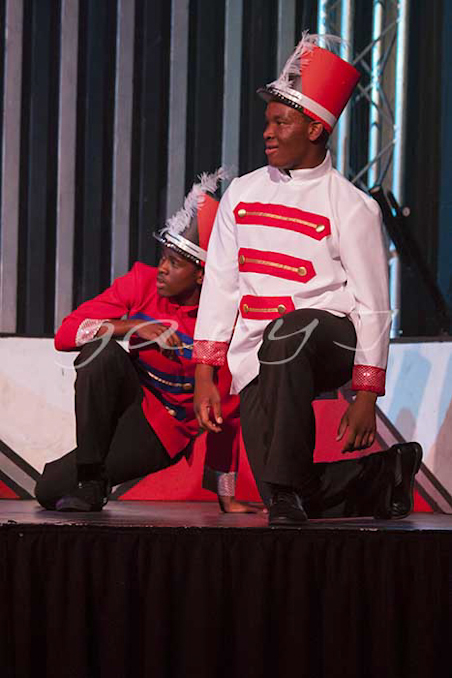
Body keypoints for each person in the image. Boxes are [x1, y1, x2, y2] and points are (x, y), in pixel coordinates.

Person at [193, 33, 422, 526]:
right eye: (267, 122)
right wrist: (205, 372)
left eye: (282, 122)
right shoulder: (241, 194)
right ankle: (384, 475)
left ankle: (293, 490)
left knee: (288, 332)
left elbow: (374, 307)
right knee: (282, 487)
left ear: (316, 128)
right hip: (258, 352)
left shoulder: (353, 206)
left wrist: (366, 395)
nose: (268, 133)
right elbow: (221, 285)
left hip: (329, 340)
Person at [35, 170, 255, 514]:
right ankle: (91, 480)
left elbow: (225, 412)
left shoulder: (223, 321)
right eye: (163, 257)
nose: (162, 268)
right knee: (100, 351)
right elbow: (66, 335)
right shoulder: (142, 281)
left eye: (175, 263)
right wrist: (132, 327)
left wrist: (226, 494)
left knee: (49, 488)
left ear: (202, 274)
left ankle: (91, 480)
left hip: (162, 428)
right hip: (128, 396)